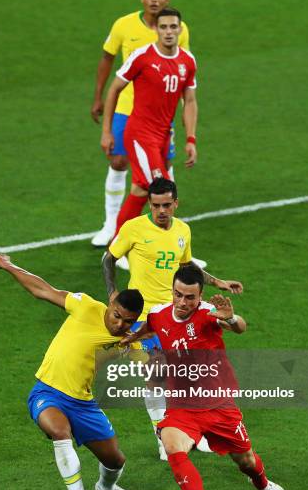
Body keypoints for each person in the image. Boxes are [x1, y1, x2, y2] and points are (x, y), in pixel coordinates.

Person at [124, 265, 287, 490]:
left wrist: (232, 318)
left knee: (245, 460)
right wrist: (131, 337)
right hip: (182, 407)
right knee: (171, 445)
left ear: (200, 296)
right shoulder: (158, 314)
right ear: (172, 291)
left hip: (219, 406)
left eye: (190, 297)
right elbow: (150, 328)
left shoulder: (207, 314)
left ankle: (262, 483)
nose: (182, 302)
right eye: (178, 295)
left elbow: (240, 328)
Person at [0, 253, 143, 490]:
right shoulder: (86, 307)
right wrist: (10, 267)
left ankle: (106, 489)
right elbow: (44, 290)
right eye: (117, 316)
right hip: (47, 392)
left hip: (84, 404)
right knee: (60, 432)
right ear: (111, 303)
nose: (120, 324)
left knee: (115, 460)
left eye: (128, 322)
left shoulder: (129, 341)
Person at [103, 178, 243, 459]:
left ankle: (195, 430)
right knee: (157, 375)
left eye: (167, 204)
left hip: (178, 315)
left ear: (176, 203)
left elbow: (186, 266)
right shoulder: (133, 228)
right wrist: (113, 294)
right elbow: (108, 258)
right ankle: (161, 434)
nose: (161, 210)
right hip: (144, 318)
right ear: (149, 204)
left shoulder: (183, 230)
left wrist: (218, 282)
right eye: (156, 205)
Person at [91, 0, 190, 247]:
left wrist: (182, 124)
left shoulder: (179, 30)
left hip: (162, 118)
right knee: (120, 163)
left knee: (161, 173)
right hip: (128, 109)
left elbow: (182, 74)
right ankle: (112, 225)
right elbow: (107, 59)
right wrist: (98, 97)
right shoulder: (124, 26)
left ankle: (142, 239)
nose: (154, 0)